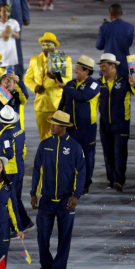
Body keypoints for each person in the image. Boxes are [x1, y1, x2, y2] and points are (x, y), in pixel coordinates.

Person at [31, 110, 86, 269]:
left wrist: (76, 196)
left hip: (66, 201)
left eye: (55, 124)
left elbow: (81, 172)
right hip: (46, 200)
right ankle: (46, 265)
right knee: (42, 236)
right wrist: (34, 193)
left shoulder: (75, 147)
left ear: (63, 127)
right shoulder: (45, 144)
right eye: (51, 123)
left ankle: (59, 267)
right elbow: (36, 170)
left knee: (64, 238)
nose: (51, 126)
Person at [56, 55, 100, 195]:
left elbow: (82, 97)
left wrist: (64, 87)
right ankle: (71, 183)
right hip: (71, 128)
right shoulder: (70, 84)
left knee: (87, 157)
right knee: (69, 156)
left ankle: (85, 184)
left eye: (78, 70)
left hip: (87, 129)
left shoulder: (93, 85)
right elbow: (62, 104)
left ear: (87, 71)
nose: (76, 72)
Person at [0, 105, 33, 237]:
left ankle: (16, 228)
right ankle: (26, 222)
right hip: (19, 167)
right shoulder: (19, 131)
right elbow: (24, 148)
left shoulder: (5, 135)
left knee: (11, 200)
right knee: (16, 198)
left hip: (10, 170)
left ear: (2, 121)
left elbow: (8, 154)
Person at [97, 53, 135, 192]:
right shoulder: (99, 82)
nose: (102, 69)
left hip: (121, 123)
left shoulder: (125, 80)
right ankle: (111, 180)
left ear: (113, 66)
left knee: (119, 153)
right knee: (108, 153)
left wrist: (134, 84)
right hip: (105, 124)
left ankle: (119, 180)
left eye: (104, 66)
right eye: (100, 66)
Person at [24, 32, 72, 141]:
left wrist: (56, 77)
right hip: (41, 105)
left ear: (55, 46)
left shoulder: (64, 59)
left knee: (60, 136)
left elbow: (68, 80)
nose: (46, 48)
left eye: (49, 45)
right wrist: (35, 87)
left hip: (58, 104)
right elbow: (27, 78)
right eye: (43, 45)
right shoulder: (35, 59)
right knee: (44, 137)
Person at [96, 3, 134, 77]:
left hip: (109, 63)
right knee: (129, 87)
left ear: (110, 14)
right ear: (122, 13)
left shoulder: (104, 28)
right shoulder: (130, 27)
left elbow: (99, 46)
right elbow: (129, 44)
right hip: (127, 63)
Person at [0, 4, 20, 68]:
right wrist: (0, 34)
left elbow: (17, 36)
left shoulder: (13, 22)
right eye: (3, 11)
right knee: (0, 67)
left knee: (9, 69)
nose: (5, 13)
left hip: (10, 49)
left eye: (7, 11)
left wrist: (11, 31)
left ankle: (9, 77)